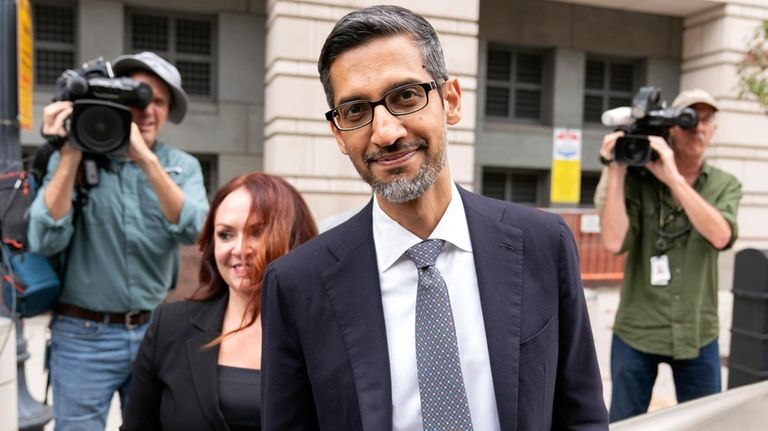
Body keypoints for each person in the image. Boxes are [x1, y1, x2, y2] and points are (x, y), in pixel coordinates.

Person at [260, 5, 608, 430]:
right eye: (355, 111)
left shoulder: (542, 243)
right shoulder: (297, 284)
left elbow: (582, 415)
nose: (385, 132)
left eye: (405, 96)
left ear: (451, 100)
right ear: (338, 133)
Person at [27, 51, 209, 430]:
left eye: (156, 101)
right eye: (136, 97)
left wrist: (145, 160)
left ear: (168, 110)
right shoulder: (77, 157)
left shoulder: (181, 165)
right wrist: (72, 148)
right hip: (82, 337)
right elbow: (42, 238)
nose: (146, 110)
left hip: (154, 332)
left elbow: (200, 230)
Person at [121, 173, 317, 430]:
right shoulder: (170, 325)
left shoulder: (326, 331)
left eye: (257, 232)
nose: (239, 249)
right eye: (226, 235)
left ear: (295, 238)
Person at [598, 88, 743, 422]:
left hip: (697, 331)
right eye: (688, 120)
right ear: (670, 129)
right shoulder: (636, 178)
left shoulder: (724, 183)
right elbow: (614, 241)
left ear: (715, 128)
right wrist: (616, 169)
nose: (698, 128)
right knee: (625, 423)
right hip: (637, 330)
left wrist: (673, 179)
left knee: (707, 424)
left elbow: (721, 235)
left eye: (706, 120)